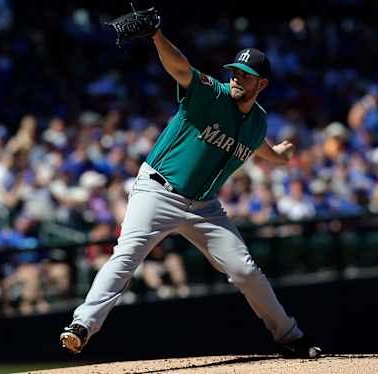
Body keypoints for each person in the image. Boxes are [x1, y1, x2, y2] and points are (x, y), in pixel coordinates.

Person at [60, 23, 322, 359]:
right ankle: (81, 325)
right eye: (235, 72)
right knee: (126, 256)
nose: (237, 79)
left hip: (205, 207)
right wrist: (156, 35)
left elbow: (260, 146)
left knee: (245, 270)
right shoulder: (211, 94)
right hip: (157, 191)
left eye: (245, 75)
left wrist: (280, 156)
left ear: (262, 84)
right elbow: (180, 67)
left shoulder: (257, 121)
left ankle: (290, 337)